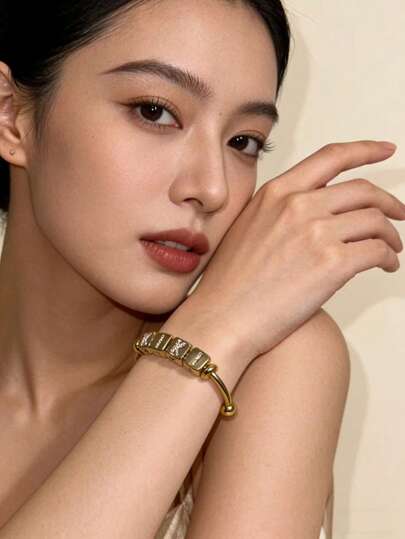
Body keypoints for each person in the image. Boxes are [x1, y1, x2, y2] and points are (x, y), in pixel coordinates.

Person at [0, 1, 403, 537]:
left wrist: (216, 331)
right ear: (12, 115)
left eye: (243, 142)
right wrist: (212, 332)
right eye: (155, 112)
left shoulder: (271, 362)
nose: (212, 188)